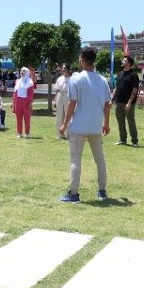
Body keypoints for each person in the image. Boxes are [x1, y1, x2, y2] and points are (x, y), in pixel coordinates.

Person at [58, 47, 111, 203]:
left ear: (82, 60)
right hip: (96, 126)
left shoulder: (76, 79)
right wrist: (106, 123)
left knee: (75, 160)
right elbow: (107, 104)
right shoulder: (102, 80)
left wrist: (64, 124)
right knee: (99, 159)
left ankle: (74, 194)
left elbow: (72, 104)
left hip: (79, 126)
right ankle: (102, 191)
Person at [112, 55, 139, 146]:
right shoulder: (120, 74)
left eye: (124, 60)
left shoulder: (133, 75)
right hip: (119, 102)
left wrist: (129, 102)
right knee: (120, 122)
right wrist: (112, 98)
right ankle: (122, 140)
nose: (122, 61)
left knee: (131, 122)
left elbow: (134, 90)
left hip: (128, 103)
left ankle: (134, 141)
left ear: (129, 63)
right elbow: (117, 87)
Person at [12, 67, 35, 137]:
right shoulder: (17, 81)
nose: (22, 72)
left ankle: (27, 133)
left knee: (27, 118)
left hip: (26, 101)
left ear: (27, 72)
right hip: (18, 100)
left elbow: (31, 93)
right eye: (21, 71)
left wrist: (30, 102)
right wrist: (13, 101)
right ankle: (19, 133)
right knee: (18, 117)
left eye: (24, 71)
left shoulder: (30, 81)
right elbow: (15, 92)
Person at [54, 64, 71, 139]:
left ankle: (69, 134)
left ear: (68, 69)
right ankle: (60, 134)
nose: (63, 69)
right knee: (59, 114)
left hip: (68, 96)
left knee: (68, 114)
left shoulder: (72, 79)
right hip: (60, 95)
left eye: (64, 68)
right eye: (62, 68)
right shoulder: (60, 78)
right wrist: (55, 100)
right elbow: (57, 90)